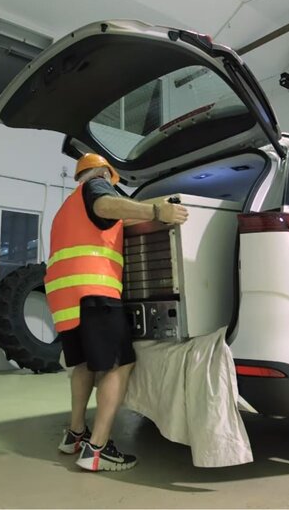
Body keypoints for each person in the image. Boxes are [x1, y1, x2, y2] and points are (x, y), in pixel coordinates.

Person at [48, 153, 188, 472]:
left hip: (64, 296)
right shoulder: (97, 186)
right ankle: (97, 450)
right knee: (118, 365)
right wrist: (156, 210)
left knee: (83, 364)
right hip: (94, 289)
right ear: (103, 172)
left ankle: (75, 434)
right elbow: (105, 206)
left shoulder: (65, 206)